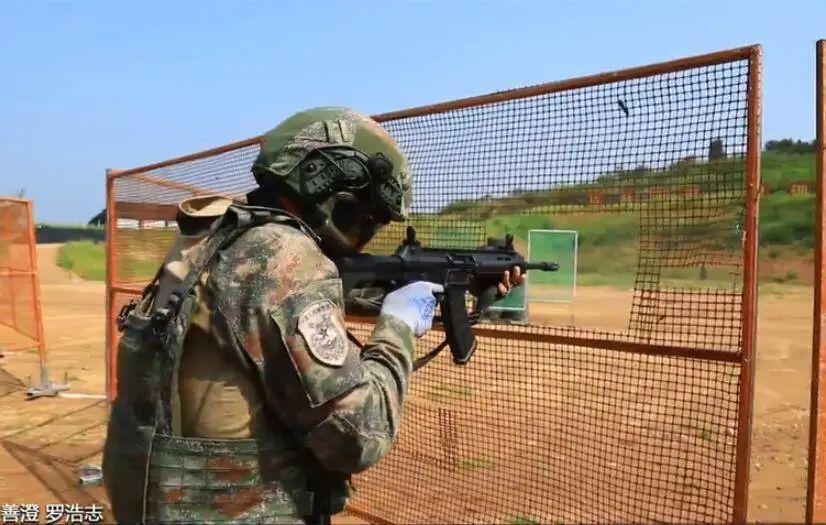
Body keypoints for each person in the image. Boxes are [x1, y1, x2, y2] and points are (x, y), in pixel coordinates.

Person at [102, 107, 522, 525]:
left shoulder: (218, 237)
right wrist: (398, 326)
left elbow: (265, 314)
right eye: (367, 216)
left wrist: (448, 299)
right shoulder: (284, 255)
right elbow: (359, 435)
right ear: (331, 185)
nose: (365, 234)